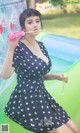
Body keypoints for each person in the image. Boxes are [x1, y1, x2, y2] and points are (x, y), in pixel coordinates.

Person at [0, 8, 80, 133]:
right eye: (30, 22)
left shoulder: (41, 45)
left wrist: (56, 76)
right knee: (59, 129)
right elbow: (5, 75)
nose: (35, 24)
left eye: (37, 21)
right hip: (27, 99)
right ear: (24, 28)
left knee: (75, 129)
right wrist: (11, 48)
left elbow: (36, 74)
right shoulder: (18, 47)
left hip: (41, 96)